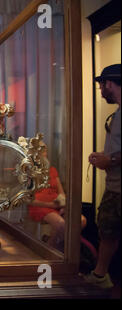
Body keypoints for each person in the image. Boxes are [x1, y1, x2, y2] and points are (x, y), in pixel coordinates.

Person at [85, 64, 121, 289]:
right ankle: (101, 276)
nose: (101, 91)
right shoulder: (117, 112)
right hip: (115, 188)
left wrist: (111, 161)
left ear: (109, 83)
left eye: (101, 86)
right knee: (107, 231)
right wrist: (105, 156)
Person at [28, 142, 87, 249]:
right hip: (39, 207)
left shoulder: (52, 170)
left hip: (56, 205)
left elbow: (61, 193)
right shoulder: (29, 172)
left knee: (81, 221)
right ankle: (51, 248)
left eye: (45, 149)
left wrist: (63, 205)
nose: (44, 153)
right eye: (40, 150)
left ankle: (55, 244)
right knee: (61, 224)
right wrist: (51, 205)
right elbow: (28, 199)